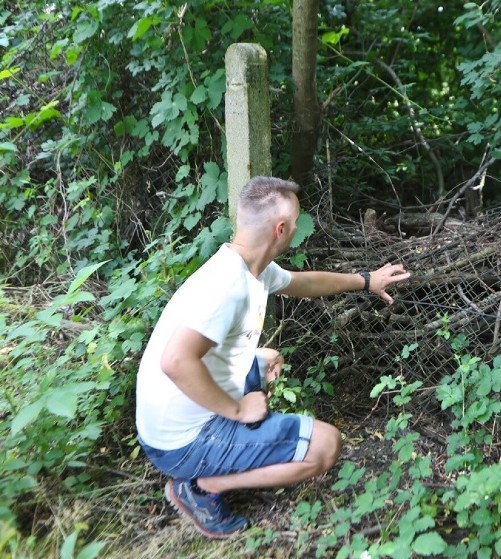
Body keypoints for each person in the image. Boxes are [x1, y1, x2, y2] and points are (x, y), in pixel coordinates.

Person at [135, 176, 411, 538]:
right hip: (181, 442)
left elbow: (305, 283)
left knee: (265, 358)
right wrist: (237, 410)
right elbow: (175, 361)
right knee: (326, 447)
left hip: (175, 418)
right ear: (280, 229)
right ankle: (200, 488)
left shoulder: (249, 268)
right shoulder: (227, 287)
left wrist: (365, 279)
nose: (298, 227)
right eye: (296, 221)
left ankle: (225, 452)